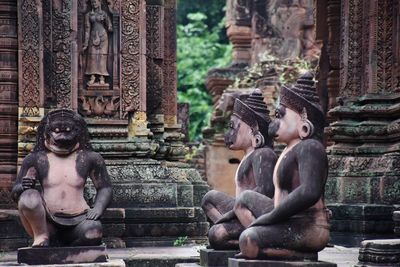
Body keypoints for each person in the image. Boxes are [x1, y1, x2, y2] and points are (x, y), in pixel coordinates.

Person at [235, 72, 330, 259]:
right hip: (286, 219)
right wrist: (270, 218)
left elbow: (310, 191)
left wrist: (270, 218)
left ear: (303, 122)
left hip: (308, 225)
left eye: (280, 116)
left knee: (248, 238)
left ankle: (301, 256)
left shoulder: (311, 147)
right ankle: (266, 242)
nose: (274, 123)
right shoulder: (289, 151)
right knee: (244, 199)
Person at [11, 109, 112, 246]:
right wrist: (23, 186)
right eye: (57, 131)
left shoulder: (89, 158)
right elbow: (16, 193)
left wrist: (97, 208)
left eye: (68, 131)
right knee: (28, 197)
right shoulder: (35, 159)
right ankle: (41, 237)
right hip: (46, 220)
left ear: (78, 131)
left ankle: (66, 247)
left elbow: (104, 188)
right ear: (46, 132)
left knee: (93, 232)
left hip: (80, 218)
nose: (63, 136)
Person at [201, 89, 277, 249]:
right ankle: (240, 236)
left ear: (252, 130)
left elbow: (265, 191)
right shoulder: (248, 156)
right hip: (239, 210)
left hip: (254, 214)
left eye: (233, 127)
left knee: (217, 235)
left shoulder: (264, 154)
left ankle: (253, 241)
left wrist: (231, 214)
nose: (229, 133)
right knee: (209, 198)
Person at [83, 0, 112, 86]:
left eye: (95, 2)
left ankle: (102, 77)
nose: (93, 4)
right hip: (93, 37)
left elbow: (109, 25)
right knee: (92, 57)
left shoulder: (104, 14)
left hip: (103, 36)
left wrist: (110, 27)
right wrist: (86, 43)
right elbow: (87, 30)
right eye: (92, 2)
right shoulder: (88, 15)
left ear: (100, 2)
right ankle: (92, 77)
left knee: (102, 56)